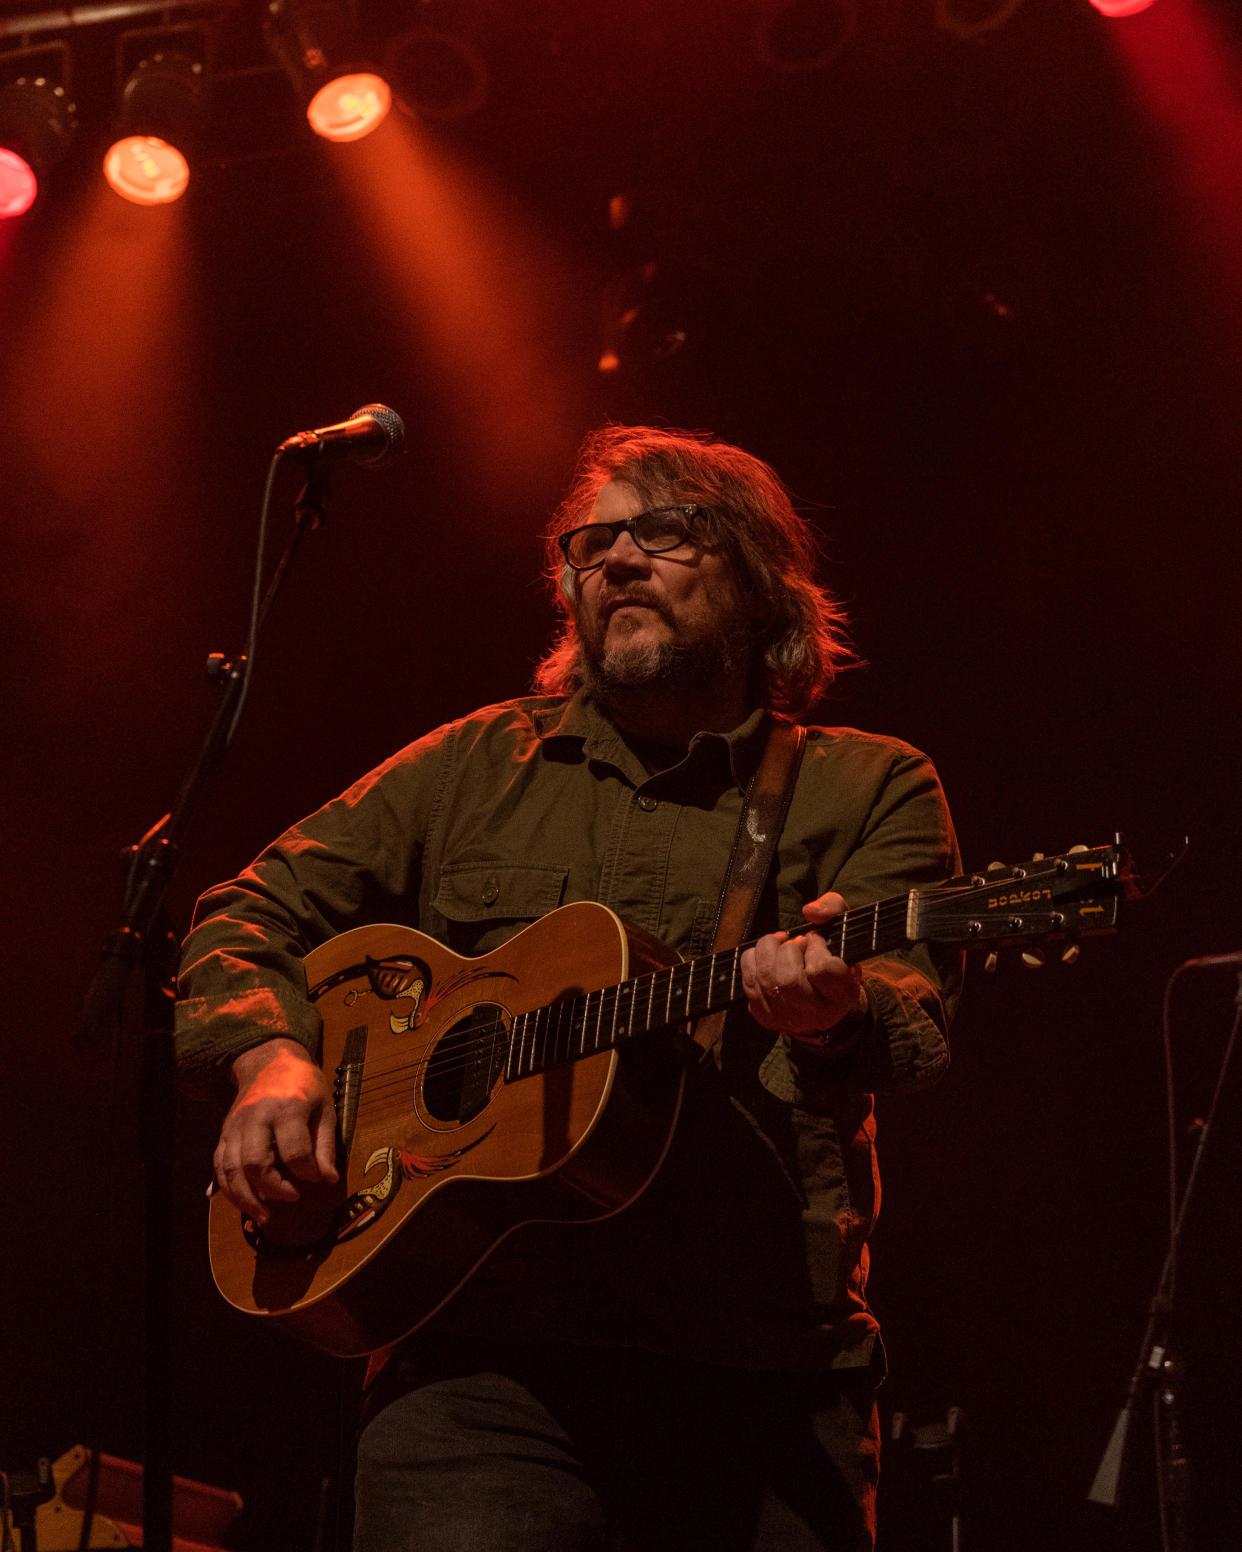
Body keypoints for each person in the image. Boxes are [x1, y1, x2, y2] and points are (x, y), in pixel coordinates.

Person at [176, 424, 962, 1552]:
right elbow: (243, 911)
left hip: (762, 1379)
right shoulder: (473, 765)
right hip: (479, 1368)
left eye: (665, 532)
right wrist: (269, 1060)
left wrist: (837, 1014)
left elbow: (911, 1010)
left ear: (755, 579)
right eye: (591, 544)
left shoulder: (868, 785)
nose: (617, 561)